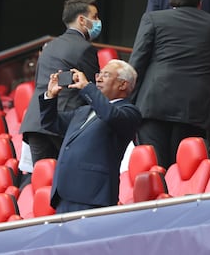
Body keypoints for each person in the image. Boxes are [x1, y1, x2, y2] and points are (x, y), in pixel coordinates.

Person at [129, 0, 210, 171]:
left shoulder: (154, 20)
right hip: (195, 111)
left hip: (153, 107)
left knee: (154, 172)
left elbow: (136, 67)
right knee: (188, 173)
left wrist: (129, 107)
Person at [19, 0, 101, 187]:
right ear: (82, 20)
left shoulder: (48, 47)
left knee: (42, 183)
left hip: (36, 121)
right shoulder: (85, 48)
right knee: (65, 183)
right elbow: (90, 90)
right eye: (94, 16)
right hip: (62, 123)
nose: (98, 22)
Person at [40, 60, 142, 213]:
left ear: (123, 85)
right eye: (98, 74)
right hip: (65, 194)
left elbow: (110, 115)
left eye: (105, 75)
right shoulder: (84, 111)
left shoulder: (129, 112)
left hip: (92, 195)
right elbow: (51, 123)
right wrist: (50, 95)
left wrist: (87, 88)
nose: (98, 79)